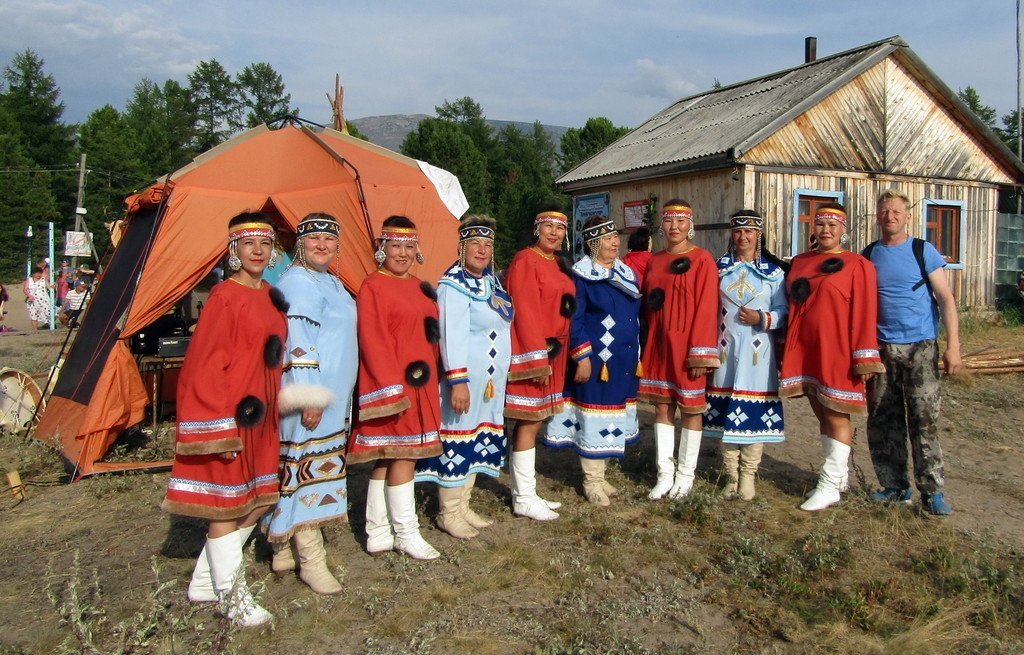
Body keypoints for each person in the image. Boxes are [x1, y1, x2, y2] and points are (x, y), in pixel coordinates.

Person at [162, 212, 287, 628]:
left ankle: (203, 580)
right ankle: (232, 597)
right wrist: (216, 426)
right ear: (234, 249)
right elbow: (204, 365)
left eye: (265, 244)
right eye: (249, 243)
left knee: (259, 500)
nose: (258, 251)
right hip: (231, 414)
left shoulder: (270, 294)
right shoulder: (223, 296)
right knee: (226, 508)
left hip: (263, 415)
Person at [263, 213, 357, 594]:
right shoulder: (299, 283)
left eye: (329, 240)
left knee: (294, 468)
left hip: (335, 395)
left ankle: (280, 543)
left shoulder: (332, 281)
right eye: (314, 238)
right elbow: (298, 344)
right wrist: (310, 397)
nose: (322, 245)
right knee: (305, 472)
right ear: (300, 243)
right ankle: (311, 561)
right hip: (311, 396)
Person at [349, 216, 443, 560]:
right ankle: (406, 532)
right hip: (394, 385)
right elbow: (373, 339)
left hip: (422, 384)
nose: (401, 253)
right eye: (395, 246)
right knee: (402, 455)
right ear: (381, 248)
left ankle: (376, 530)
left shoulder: (420, 286)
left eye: (408, 246)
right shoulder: (373, 286)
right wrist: (389, 390)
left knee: (389, 457)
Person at [779, 203, 885, 512]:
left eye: (833, 225)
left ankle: (829, 484)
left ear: (844, 230)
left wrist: (864, 356)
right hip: (806, 349)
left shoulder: (857, 265)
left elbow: (866, 312)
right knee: (821, 413)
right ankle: (837, 477)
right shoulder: (800, 262)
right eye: (821, 224)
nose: (826, 230)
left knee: (837, 414)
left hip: (838, 349)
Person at [863, 189, 961, 515]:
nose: (889, 216)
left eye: (895, 211)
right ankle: (894, 487)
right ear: (877, 216)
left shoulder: (923, 251)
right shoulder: (868, 255)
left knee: (924, 419)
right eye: (884, 211)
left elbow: (946, 299)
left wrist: (953, 346)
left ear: (907, 216)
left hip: (921, 346)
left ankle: (932, 492)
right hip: (881, 348)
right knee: (883, 419)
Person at [415, 215, 513, 538]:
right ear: (462, 246)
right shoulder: (452, 285)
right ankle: (448, 510)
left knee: (477, 437)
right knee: (459, 437)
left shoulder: (492, 283)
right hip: (466, 383)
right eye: (475, 244)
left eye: (487, 245)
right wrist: (457, 380)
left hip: (490, 384)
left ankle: (464, 503)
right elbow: (450, 335)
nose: (482, 251)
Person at [546, 216, 641, 506]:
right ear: (591, 243)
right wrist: (583, 356)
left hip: (623, 359)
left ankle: (602, 474)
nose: (615, 243)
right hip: (599, 360)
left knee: (614, 413)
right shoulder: (581, 277)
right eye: (607, 239)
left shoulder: (627, 273)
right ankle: (591, 480)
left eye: (615, 238)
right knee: (595, 413)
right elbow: (575, 320)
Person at [703, 210, 787, 501]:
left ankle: (749, 476)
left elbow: (784, 312)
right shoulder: (716, 270)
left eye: (749, 231)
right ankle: (730, 476)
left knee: (752, 416)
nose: (743, 237)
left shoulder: (774, 274)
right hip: (725, 350)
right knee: (726, 414)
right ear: (731, 234)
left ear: (759, 234)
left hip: (758, 354)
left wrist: (763, 318)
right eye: (738, 231)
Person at [639, 200, 719, 500]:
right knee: (661, 407)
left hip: (688, 344)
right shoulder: (655, 260)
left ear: (690, 225)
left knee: (690, 409)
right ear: (662, 225)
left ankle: (685, 476)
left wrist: (701, 353)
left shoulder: (702, 260)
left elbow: (707, 307)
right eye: (669, 221)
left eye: (680, 221)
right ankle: (664, 474)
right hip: (659, 344)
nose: (674, 227)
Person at [503, 208, 576, 521]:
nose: (554, 233)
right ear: (536, 228)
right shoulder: (525, 260)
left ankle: (528, 491)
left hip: (555, 352)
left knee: (537, 420)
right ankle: (522, 496)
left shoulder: (558, 263)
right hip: (536, 352)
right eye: (548, 226)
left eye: (560, 228)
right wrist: (536, 357)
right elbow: (525, 309)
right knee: (528, 421)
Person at [25, 266, 52, 330]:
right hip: (33, 301)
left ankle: (50, 325)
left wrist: (53, 286)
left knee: (49, 313)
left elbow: (49, 287)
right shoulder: (29, 280)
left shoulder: (43, 280)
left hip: (44, 300)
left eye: (40, 273)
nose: (38, 275)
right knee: (33, 315)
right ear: (33, 274)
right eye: (36, 273)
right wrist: (29, 295)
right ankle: (35, 330)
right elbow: (25, 289)